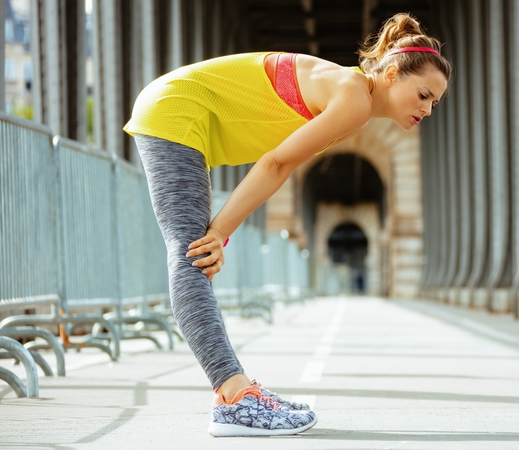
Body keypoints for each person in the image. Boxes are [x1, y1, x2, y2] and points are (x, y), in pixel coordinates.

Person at [123, 12, 451, 437]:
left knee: (194, 251)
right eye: (424, 94)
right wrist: (221, 231)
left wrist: (222, 229)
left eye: (435, 103)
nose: (428, 108)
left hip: (182, 113)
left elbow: (277, 161)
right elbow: (276, 164)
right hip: (178, 113)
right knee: (192, 253)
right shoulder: (352, 98)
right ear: (391, 73)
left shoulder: (352, 93)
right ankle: (234, 396)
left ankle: (234, 393)